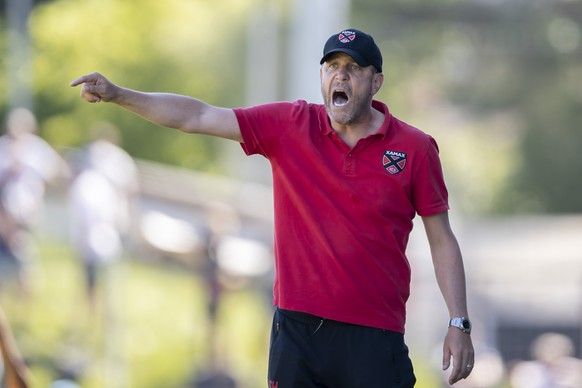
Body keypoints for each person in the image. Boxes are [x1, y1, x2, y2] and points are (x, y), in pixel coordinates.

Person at [71, 28, 474, 386]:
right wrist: (120, 94)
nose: (341, 75)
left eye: (354, 67)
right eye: (333, 65)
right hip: (297, 333)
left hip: (374, 335)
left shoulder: (415, 148)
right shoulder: (290, 124)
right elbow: (197, 116)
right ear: (322, 75)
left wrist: (458, 321)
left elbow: (441, 240)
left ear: (376, 81)